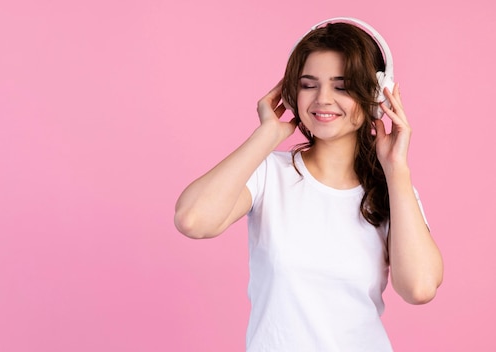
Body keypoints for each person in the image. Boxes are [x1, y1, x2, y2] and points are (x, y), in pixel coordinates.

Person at [174, 18, 443, 351]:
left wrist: (396, 169)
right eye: (308, 84)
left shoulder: (393, 191)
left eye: (342, 86)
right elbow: (193, 220)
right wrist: (267, 135)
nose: (322, 99)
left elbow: (419, 287)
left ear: (374, 93)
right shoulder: (268, 173)